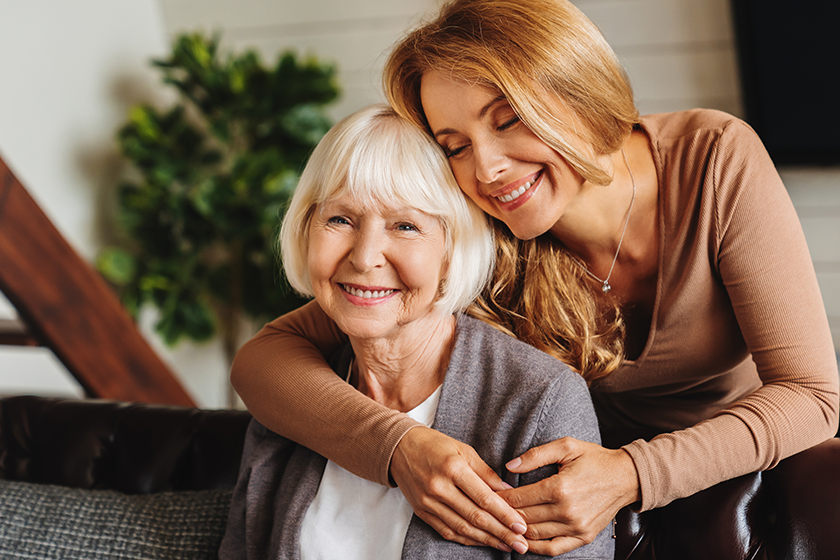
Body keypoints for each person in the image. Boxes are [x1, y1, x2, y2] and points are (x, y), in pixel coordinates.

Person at [230, 0, 839, 555]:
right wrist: (398, 449)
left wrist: (630, 474)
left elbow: (813, 396)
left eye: (509, 119)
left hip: (744, 485)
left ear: (575, 89)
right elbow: (265, 361)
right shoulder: (484, 228)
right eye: (454, 146)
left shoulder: (714, 159)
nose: (487, 169)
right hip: (571, 506)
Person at [219, 104, 614, 559]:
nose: (365, 257)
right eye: (339, 219)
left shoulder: (539, 401)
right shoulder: (292, 398)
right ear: (306, 229)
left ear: (453, 249)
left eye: (405, 226)